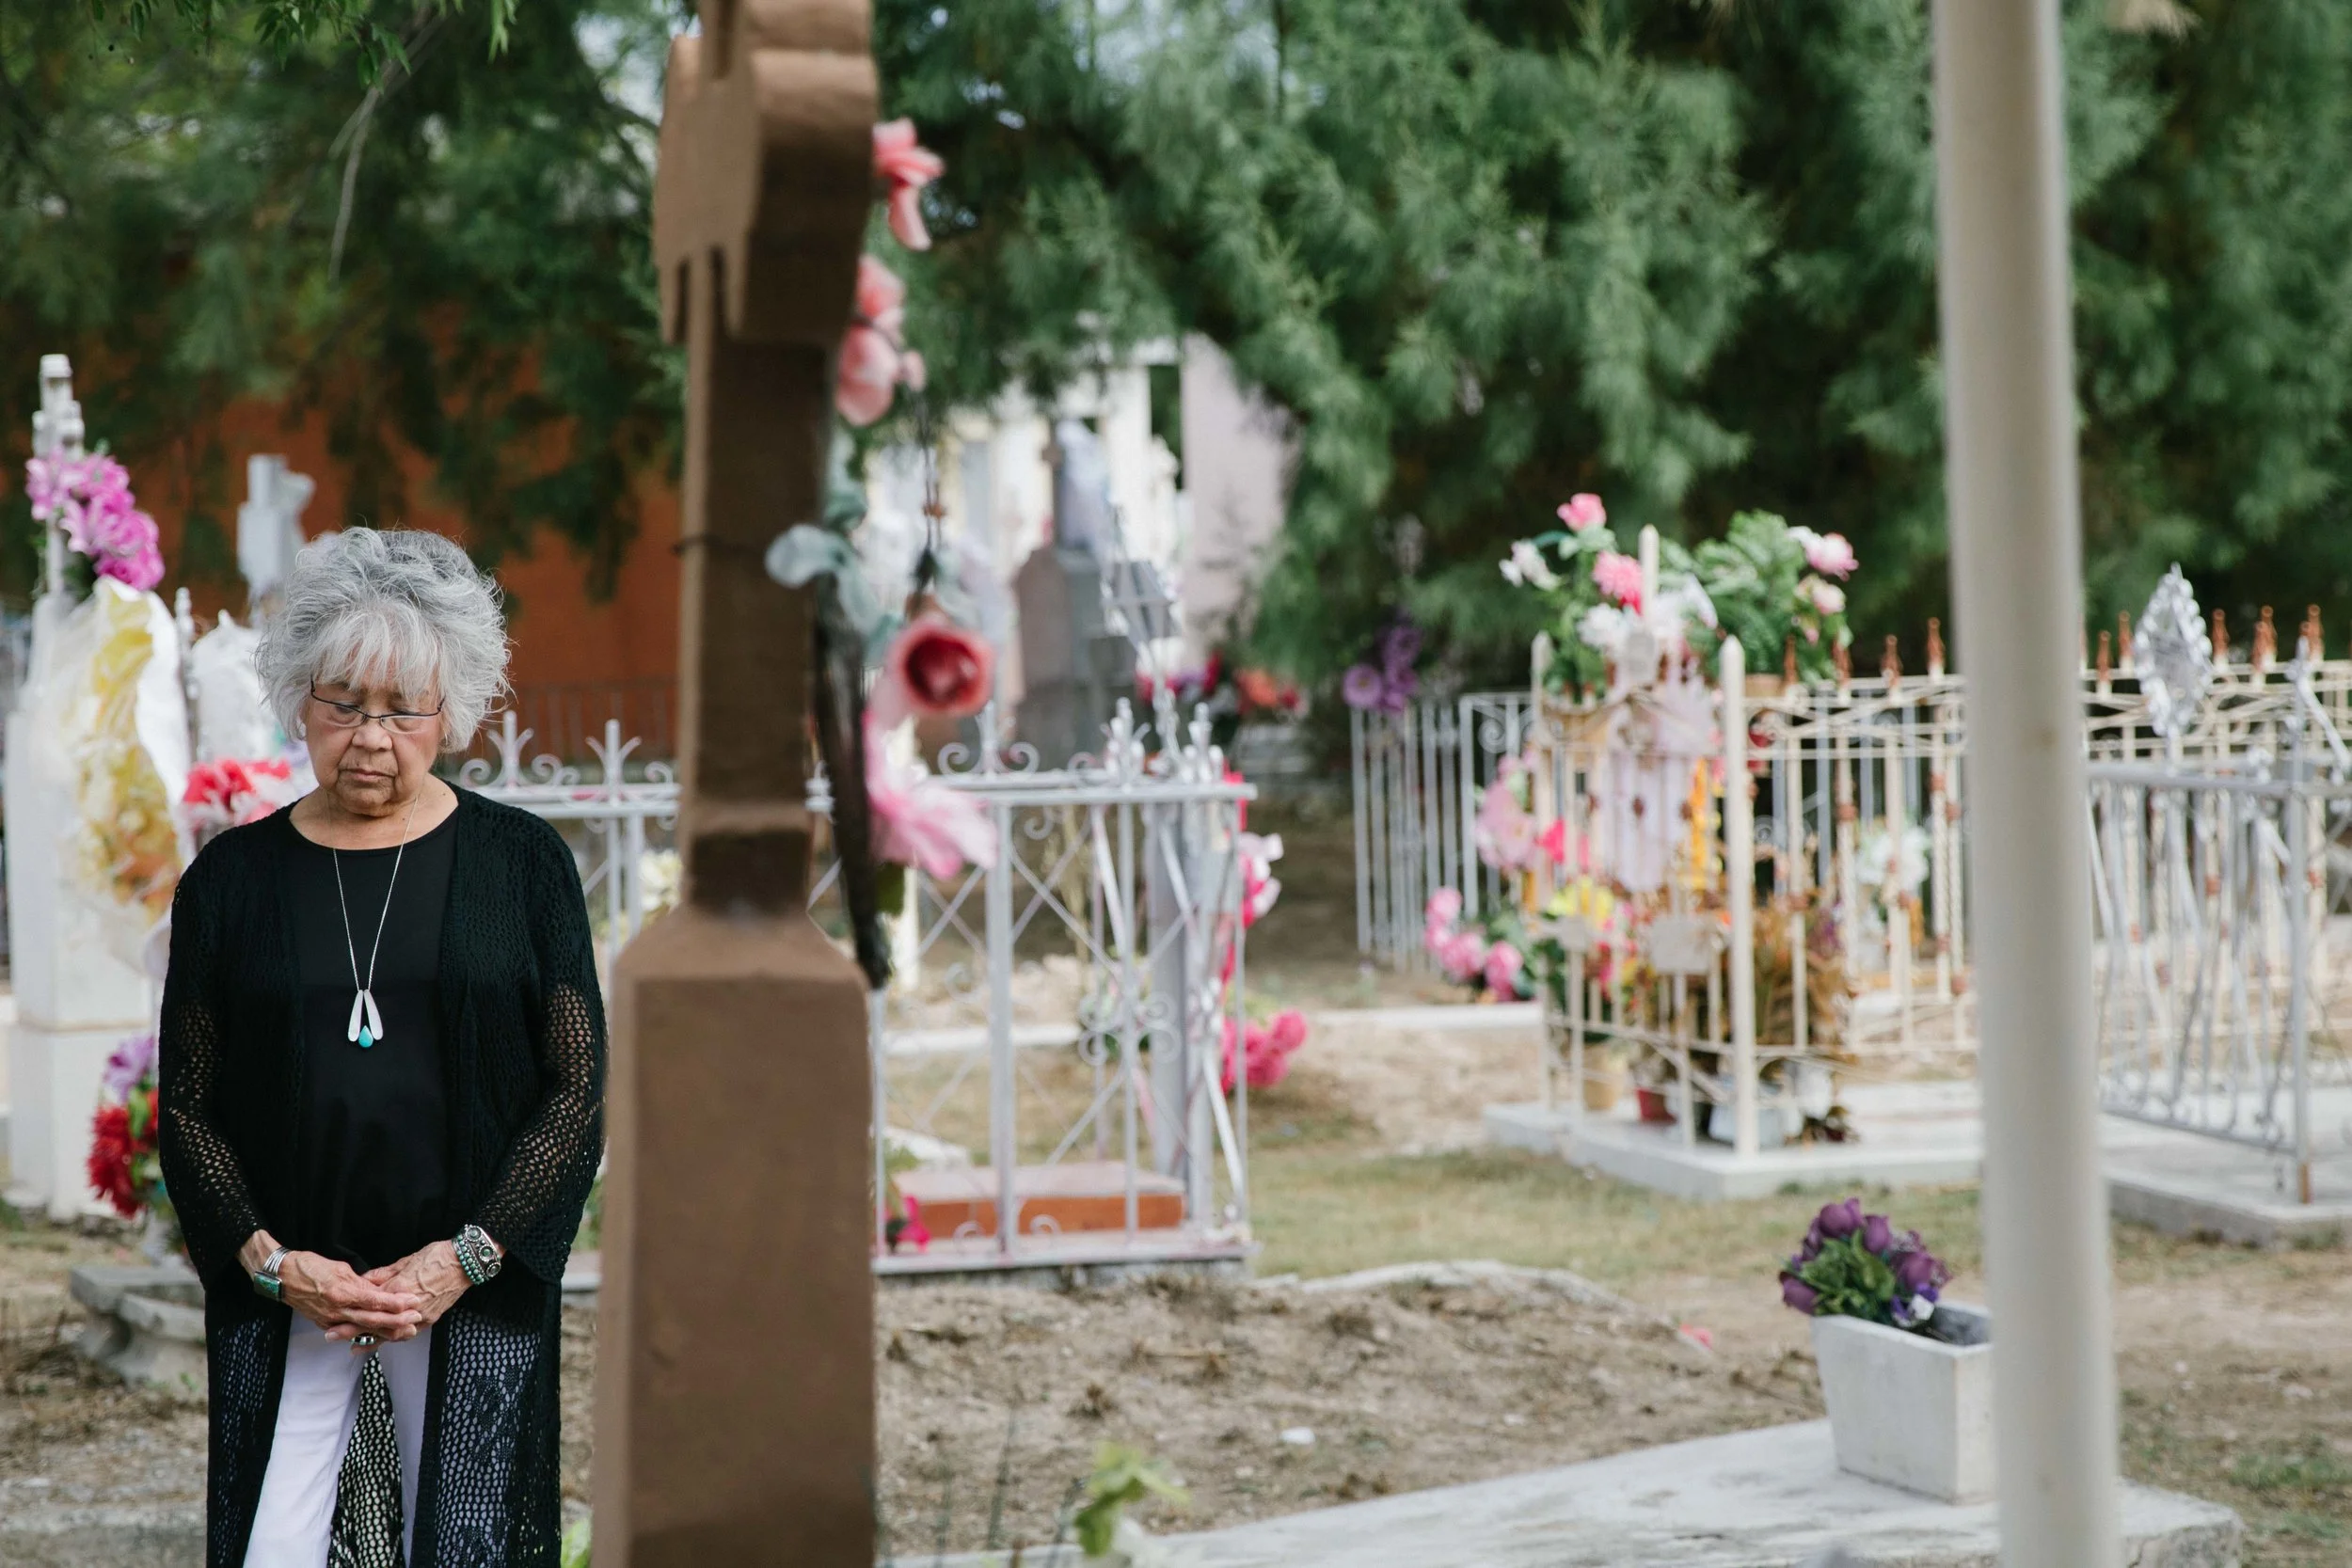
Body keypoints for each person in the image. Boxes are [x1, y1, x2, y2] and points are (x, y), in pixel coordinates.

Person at [159, 528, 605, 1567]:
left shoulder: (523, 865)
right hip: (298, 1289)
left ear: (451, 711)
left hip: (462, 1277)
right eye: (344, 702)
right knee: (273, 1544)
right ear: (299, 699)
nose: (370, 735)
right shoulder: (229, 883)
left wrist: (468, 1255)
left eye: (403, 708)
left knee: (464, 1544)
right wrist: (272, 1263)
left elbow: (576, 1087)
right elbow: (187, 1103)